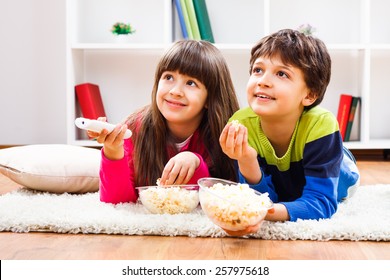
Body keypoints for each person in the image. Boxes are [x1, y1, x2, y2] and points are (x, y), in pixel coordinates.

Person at [219, 29, 360, 229]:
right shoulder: (241, 124)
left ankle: (342, 156)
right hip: (284, 176)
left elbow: (322, 203)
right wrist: (246, 159)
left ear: (310, 95)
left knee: (336, 185)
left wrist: (266, 212)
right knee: (288, 193)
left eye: (282, 74)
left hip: (338, 169)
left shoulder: (322, 125)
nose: (263, 81)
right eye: (258, 70)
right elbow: (264, 197)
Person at [89, 39, 240, 204]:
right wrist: (113, 152)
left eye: (191, 83)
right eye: (168, 77)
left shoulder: (224, 134)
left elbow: (213, 202)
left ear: (210, 98)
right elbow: (118, 203)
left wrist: (195, 163)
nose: (175, 91)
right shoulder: (135, 127)